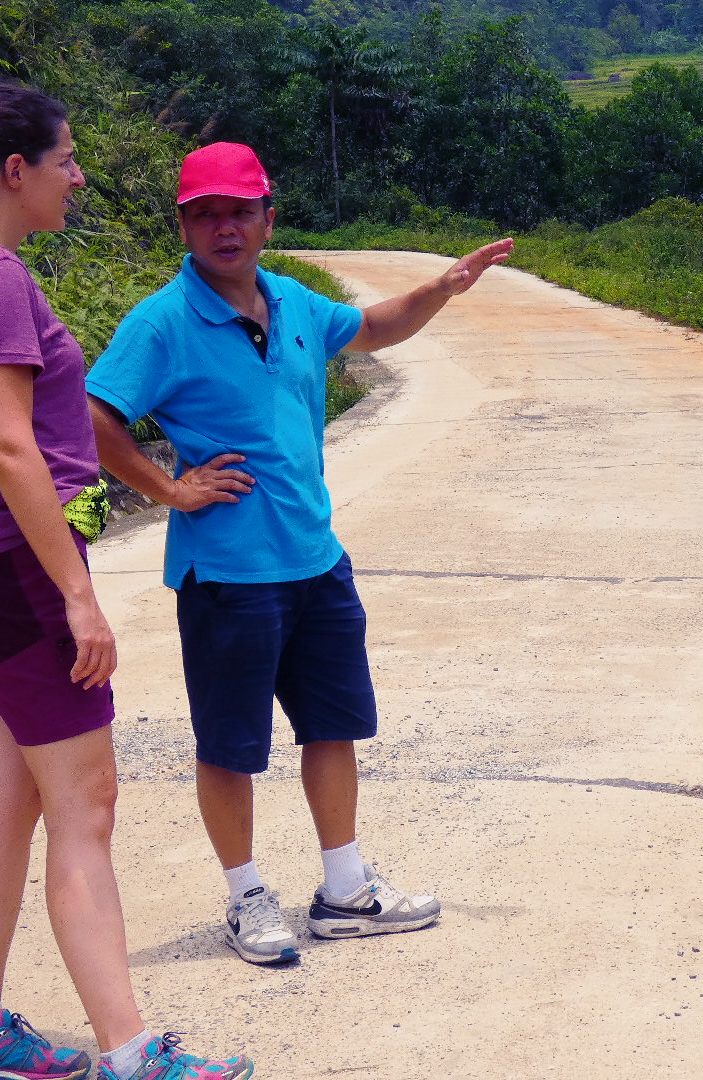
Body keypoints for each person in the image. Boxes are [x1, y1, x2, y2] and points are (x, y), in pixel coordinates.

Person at [85, 142, 514, 966]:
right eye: (205, 213)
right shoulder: (162, 321)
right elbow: (96, 413)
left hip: (316, 561)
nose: (224, 228)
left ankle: (345, 890)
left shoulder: (293, 301)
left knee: (332, 728)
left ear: (267, 220)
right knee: (229, 745)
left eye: (240, 211)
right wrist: (168, 490)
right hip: (228, 577)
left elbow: (373, 328)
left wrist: (441, 288)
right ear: (182, 224)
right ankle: (248, 896)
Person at [0, 82, 251, 1080]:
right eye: (65, 157)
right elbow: (11, 448)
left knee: (11, 793)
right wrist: (78, 595)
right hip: (9, 567)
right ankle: (132, 1055)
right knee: (87, 804)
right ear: (16, 171)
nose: (78, 173)